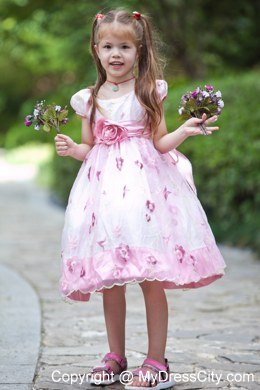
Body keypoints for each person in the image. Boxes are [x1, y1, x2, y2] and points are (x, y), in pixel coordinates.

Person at [54, 9, 226, 389]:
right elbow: (90, 147)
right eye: (108, 46)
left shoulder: (150, 91)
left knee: (150, 274)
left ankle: (156, 359)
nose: (116, 54)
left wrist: (184, 130)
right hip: (103, 196)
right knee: (110, 278)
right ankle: (115, 355)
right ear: (96, 50)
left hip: (146, 192)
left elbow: (160, 143)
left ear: (139, 49)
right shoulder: (89, 98)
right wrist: (72, 149)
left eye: (125, 47)